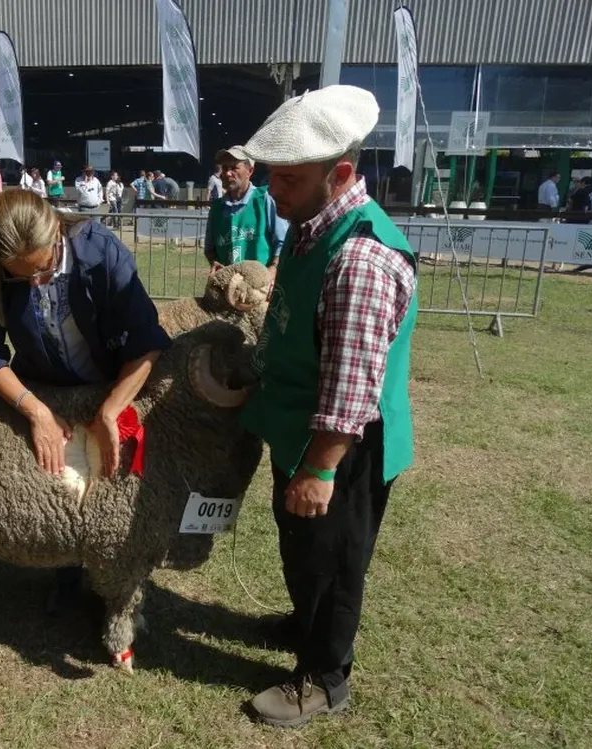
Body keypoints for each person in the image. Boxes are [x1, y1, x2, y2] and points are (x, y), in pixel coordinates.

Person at [236, 85, 418, 728]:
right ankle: (304, 623)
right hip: (300, 430)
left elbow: (351, 383)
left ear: (339, 173)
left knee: (334, 559)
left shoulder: (360, 257)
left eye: (288, 177)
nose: (272, 190)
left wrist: (319, 469)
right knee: (303, 547)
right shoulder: (310, 228)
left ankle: (324, 677)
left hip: (341, 445)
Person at [0, 189, 171, 613]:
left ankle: (117, 574)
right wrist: (36, 410)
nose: (36, 284)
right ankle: (66, 567)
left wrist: (111, 409)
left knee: (117, 479)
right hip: (49, 389)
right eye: (22, 279)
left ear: (57, 233)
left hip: (110, 384)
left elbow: (147, 342)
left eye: (43, 271)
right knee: (63, 482)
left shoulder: (102, 252)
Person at [203, 146, 288, 280]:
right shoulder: (217, 208)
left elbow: (283, 243)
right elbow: (209, 248)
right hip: (228, 288)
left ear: (250, 171)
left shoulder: (265, 199)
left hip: (261, 288)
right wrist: (214, 262)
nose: (227, 173)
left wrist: (272, 270)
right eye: (225, 168)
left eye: (234, 168)